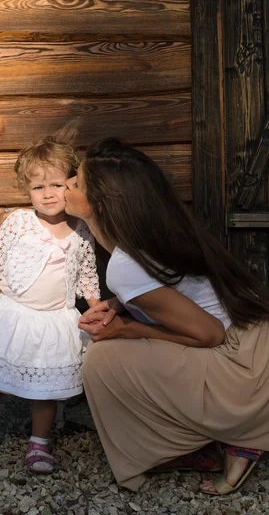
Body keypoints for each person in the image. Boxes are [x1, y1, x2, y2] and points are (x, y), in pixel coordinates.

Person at [64, 137, 269, 496]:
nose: (66, 184)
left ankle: (237, 433)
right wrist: (121, 305)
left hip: (244, 368)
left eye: (75, 182)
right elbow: (181, 293)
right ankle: (214, 438)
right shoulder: (153, 231)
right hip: (253, 341)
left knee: (102, 360)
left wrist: (128, 329)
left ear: (97, 204)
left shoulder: (124, 266)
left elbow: (209, 335)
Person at [0, 137, 100, 486]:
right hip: (14, 317)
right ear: (27, 190)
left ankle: (39, 446)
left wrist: (97, 310)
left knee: (46, 391)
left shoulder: (81, 230)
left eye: (56, 185)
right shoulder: (18, 222)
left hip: (54, 323)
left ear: (72, 185)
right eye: (38, 187)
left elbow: (87, 276)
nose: (48, 194)